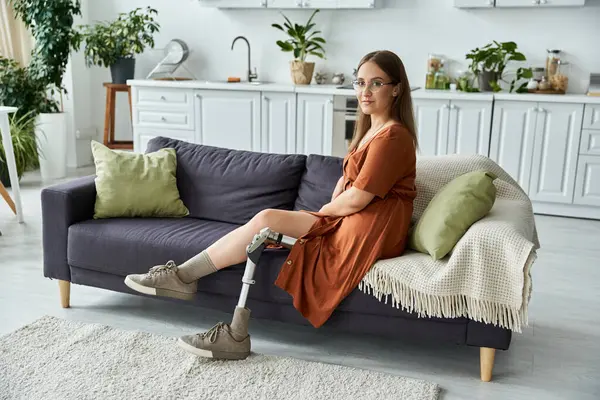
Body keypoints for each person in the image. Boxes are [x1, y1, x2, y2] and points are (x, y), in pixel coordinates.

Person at [124, 49, 418, 360]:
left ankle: (185, 279)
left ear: (396, 88)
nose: (365, 92)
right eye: (360, 83)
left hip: (367, 228)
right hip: (355, 220)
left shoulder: (393, 136)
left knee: (267, 220)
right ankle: (207, 303)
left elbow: (359, 197)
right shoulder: (371, 131)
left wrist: (320, 214)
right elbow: (345, 187)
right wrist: (326, 210)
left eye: (376, 83)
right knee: (264, 230)